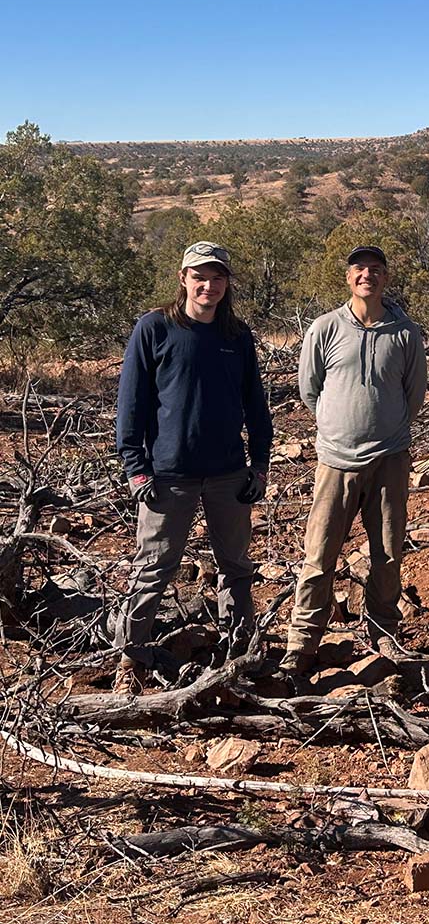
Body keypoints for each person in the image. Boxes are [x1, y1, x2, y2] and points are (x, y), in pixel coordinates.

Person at [114, 241, 273, 695]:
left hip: (228, 474)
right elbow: (131, 405)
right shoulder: (154, 329)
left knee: (236, 567)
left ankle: (241, 653)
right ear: (183, 278)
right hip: (168, 477)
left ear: (227, 283)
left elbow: (256, 408)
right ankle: (132, 658)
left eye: (218, 277)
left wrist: (258, 466)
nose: (209, 285)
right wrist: (137, 468)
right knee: (153, 568)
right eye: (200, 276)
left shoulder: (236, 336)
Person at [281, 245, 427, 676]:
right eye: (360, 269)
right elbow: (310, 390)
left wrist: (386, 428)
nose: (368, 276)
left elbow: (413, 394)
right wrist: (336, 426)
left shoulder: (404, 333)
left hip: (390, 458)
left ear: (385, 278)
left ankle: (384, 634)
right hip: (335, 461)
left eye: (376, 270)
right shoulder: (325, 328)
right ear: (348, 278)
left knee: (387, 553)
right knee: (319, 554)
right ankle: (302, 644)